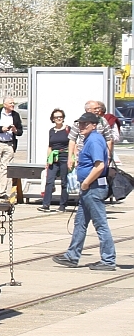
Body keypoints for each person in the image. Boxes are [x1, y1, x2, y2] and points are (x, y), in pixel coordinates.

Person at [53, 112, 116, 270]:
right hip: (89, 189)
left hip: (93, 188)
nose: (81, 127)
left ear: (94, 125)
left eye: (85, 124)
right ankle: (72, 255)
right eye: (80, 124)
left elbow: (100, 165)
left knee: (100, 224)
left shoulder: (94, 140)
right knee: (80, 222)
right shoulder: (89, 139)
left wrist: (86, 183)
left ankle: (108, 260)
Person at [39, 108, 70, 212]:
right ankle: (46, 204)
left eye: (60, 116)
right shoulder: (51, 131)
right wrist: (47, 161)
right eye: (56, 117)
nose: (59, 118)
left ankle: (63, 205)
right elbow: (50, 146)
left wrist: (72, 158)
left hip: (64, 156)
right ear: (53, 119)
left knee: (64, 182)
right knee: (49, 181)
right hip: (53, 157)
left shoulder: (67, 129)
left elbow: (72, 143)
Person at [68, 100, 113, 170]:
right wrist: (70, 158)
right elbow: (72, 140)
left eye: (99, 108)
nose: (98, 110)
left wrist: (108, 156)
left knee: (99, 177)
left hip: (99, 156)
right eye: (95, 108)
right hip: (83, 157)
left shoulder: (103, 121)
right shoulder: (78, 122)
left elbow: (109, 140)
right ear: (88, 110)